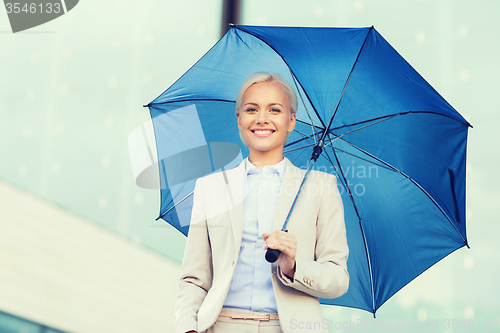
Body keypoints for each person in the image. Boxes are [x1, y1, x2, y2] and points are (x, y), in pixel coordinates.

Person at [174, 72, 349, 333]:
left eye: (274, 110)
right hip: (220, 325)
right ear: (239, 120)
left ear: (291, 121)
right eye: (252, 109)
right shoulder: (210, 188)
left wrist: (293, 266)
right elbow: (194, 279)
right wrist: (187, 327)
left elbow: (338, 279)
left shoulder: (320, 187)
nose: (262, 118)